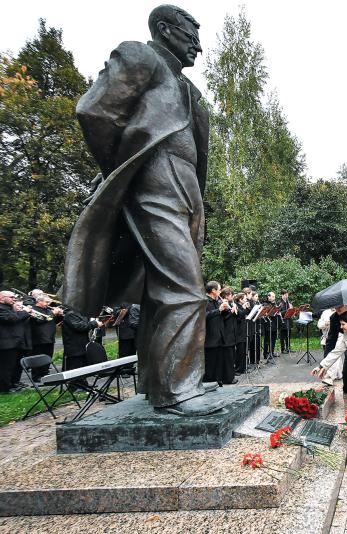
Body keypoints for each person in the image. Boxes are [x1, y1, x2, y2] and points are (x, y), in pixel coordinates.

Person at [60, 5, 216, 415]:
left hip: (185, 188)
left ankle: (158, 381)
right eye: (190, 34)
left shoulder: (187, 89)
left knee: (160, 287)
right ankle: (178, 390)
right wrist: (123, 169)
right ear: (165, 30)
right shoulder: (139, 56)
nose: (198, 44)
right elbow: (94, 110)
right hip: (154, 173)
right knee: (185, 287)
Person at [0, 291, 32, 392]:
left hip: (16, 342)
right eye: (11, 297)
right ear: (1, 298)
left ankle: (14, 383)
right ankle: (5, 388)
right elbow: (12, 318)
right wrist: (25, 312)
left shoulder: (10, 308)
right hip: (6, 343)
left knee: (16, 366)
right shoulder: (1, 308)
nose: (14, 299)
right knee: (6, 367)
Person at [29, 295, 64, 382]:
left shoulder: (48, 310)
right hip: (38, 339)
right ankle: (36, 376)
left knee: (48, 357)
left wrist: (60, 315)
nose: (48, 304)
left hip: (49, 338)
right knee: (37, 358)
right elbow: (40, 319)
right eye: (46, 302)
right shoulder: (33, 310)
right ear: (39, 301)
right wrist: (53, 313)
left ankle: (45, 373)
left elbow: (56, 321)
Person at [203, 282, 227, 385]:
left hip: (219, 337)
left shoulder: (217, 301)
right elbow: (204, 316)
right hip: (210, 339)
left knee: (219, 363)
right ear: (213, 290)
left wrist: (226, 310)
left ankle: (218, 382)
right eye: (219, 289)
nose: (220, 292)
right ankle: (210, 383)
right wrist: (219, 310)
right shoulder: (205, 302)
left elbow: (221, 316)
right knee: (210, 364)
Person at [317, 307, 341, 386]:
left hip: (339, 336)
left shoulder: (341, 310)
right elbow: (319, 324)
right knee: (331, 355)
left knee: (336, 355)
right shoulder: (325, 312)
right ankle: (338, 374)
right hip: (327, 337)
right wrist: (326, 324)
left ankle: (330, 376)